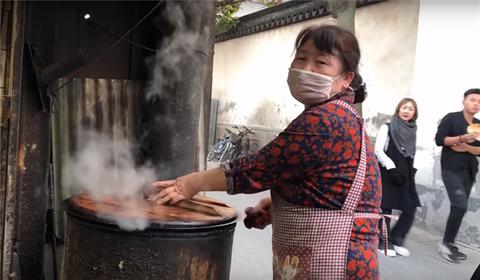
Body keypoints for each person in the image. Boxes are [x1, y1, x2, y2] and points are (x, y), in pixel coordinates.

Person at [148, 25, 382, 279]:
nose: (306, 68)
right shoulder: (342, 114)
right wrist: (275, 207)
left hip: (340, 266)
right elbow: (328, 184)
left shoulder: (327, 120)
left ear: (346, 78)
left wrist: (190, 183)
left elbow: (258, 168)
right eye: (301, 58)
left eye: (321, 62)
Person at [435, 88, 480, 263]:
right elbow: (440, 140)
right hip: (451, 169)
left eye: (479, 101)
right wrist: (461, 138)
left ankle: (450, 242)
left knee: (459, 208)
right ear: (464, 100)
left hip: (469, 171)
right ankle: (446, 244)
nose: (476, 103)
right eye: (473, 99)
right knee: (460, 205)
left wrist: (467, 148)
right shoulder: (451, 118)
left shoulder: (478, 123)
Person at [374, 98, 421, 257]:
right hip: (389, 170)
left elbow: (411, 152)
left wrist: (411, 170)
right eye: (404, 107)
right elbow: (378, 150)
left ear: (414, 113)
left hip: (406, 172)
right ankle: (384, 242)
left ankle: (397, 238)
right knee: (386, 206)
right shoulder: (387, 127)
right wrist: (391, 167)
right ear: (398, 109)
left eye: (411, 109)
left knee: (411, 206)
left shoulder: (413, 129)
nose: (407, 111)